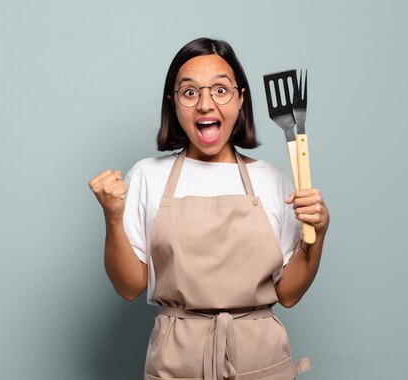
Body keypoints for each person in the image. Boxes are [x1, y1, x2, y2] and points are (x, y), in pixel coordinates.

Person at [89, 37, 329, 380]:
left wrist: (318, 234)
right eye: (190, 92)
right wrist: (112, 217)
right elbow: (129, 286)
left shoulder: (273, 180)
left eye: (220, 90)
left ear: (241, 99)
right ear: (173, 104)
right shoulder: (147, 176)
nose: (205, 104)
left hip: (259, 357)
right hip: (176, 358)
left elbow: (288, 293)